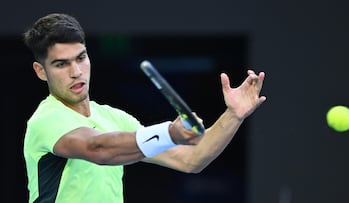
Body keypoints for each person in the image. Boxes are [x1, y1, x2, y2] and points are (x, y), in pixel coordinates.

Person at [22, 13, 266, 203]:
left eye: (81, 58)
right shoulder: (47, 119)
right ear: (40, 71)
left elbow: (192, 160)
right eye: (61, 64)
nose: (76, 72)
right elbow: (97, 149)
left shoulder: (113, 118)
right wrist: (170, 133)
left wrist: (233, 115)